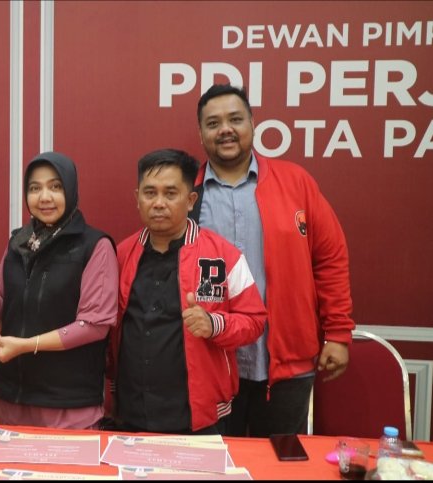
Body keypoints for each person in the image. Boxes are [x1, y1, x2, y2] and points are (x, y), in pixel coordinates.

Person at [192, 83, 355, 437]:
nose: (225, 130)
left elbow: (329, 259)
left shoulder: (296, 182)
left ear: (253, 124)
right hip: (211, 364)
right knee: (214, 461)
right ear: (201, 133)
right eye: (213, 123)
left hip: (286, 364)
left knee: (280, 461)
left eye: (235, 119)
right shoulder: (188, 193)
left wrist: (338, 333)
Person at [108, 148, 266, 435]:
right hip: (131, 414)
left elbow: (255, 321)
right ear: (137, 198)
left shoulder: (223, 256)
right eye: (150, 193)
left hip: (199, 419)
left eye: (170, 193)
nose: (159, 203)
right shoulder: (120, 255)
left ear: (191, 200)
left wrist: (214, 324)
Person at [0, 151, 118, 430]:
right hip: (15, 396)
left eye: (55, 187)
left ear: (71, 190)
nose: (44, 197)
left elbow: (94, 326)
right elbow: (8, 310)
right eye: (35, 188)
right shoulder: (18, 242)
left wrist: (26, 345)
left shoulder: (95, 246)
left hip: (69, 401)